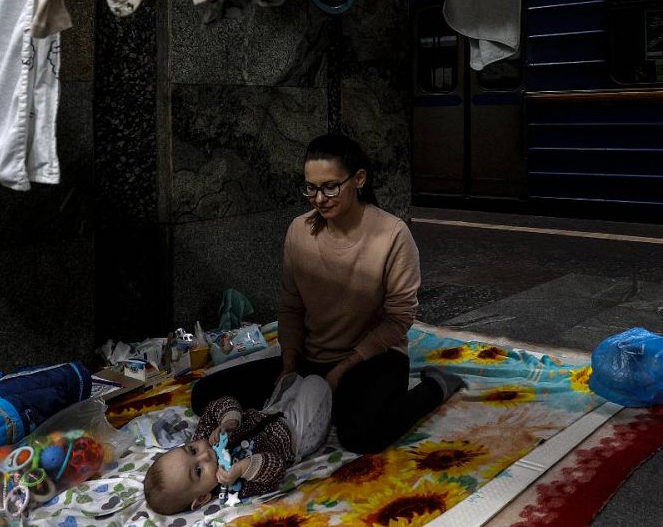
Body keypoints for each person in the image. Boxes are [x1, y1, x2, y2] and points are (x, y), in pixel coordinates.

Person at [189, 133, 463, 453]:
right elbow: (290, 306)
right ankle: (320, 401)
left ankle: (436, 386)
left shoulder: (392, 235)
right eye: (311, 188)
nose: (320, 198)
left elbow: (399, 318)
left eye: (331, 186)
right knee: (203, 395)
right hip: (311, 359)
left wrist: (342, 370)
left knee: (360, 435)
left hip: (372, 359)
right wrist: (289, 366)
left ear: (359, 179)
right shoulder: (299, 231)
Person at [143, 374, 331, 514]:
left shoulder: (205, 435)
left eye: (192, 450)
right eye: (198, 471)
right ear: (202, 498)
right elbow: (277, 468)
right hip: (295, 435)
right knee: (316, 383)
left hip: (269, 412)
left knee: (291, 380)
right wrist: (243, 468)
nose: (205, 454)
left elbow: (219, 404)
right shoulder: (235, 488)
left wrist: (229, 420)